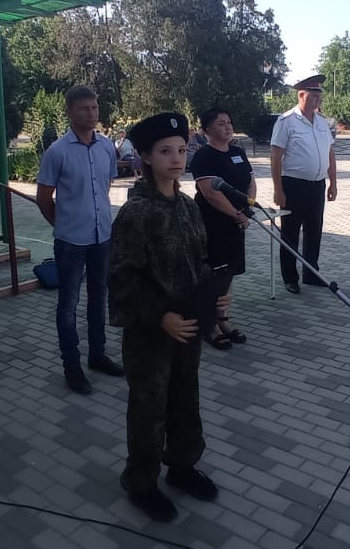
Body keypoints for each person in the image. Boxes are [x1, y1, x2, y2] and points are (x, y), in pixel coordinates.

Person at [109, 111, 228, 522]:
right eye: (165, 151)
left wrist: (213, 297)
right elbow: (122, 280)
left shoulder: (188, 207)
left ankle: (182, 466)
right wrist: (161, 317)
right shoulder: (136, 213)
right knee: (149, 409)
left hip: (188, 328)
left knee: (184, 400)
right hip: (151, 335)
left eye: (181, 150)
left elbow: (199, 262)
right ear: (145, 156)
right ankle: (141, 483)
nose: (177, 159)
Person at [36, 86, 124, 395]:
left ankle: (97, 355)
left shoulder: (106, 147)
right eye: (84, 108)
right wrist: (64, 223)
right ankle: (71, 366)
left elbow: (105, 185)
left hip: (102, 237)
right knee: (68, 304)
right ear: (70, 112)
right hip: (71, 241)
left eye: (94, 108)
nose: (91, 113)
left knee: (99, 297)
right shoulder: (57, 152)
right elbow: (43, 198)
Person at [188, 107, 253, 350]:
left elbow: (250, 182)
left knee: (229, 272)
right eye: (221, 123)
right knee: (214, 273)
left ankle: (223, 319)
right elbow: (211, 193)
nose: (227, 127)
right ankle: (209, 325)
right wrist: (236, 214)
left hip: (236, 221)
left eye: (229, 122)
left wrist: (246, 209)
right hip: (213, 222)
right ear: (207, 130)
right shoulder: (204, 156)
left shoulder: (237, 152)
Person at [270, 73, 337, 294]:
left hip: (317, 185)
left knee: (314, 230)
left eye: (319, 95)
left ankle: (311, 273)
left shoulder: (322, 122)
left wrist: (333, 182)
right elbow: (275, 156)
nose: (318, 99)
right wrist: (278, 189)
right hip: (293, 185)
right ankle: (290, 277)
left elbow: (330, 153)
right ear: (301, 95)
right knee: (290, 232)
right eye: (314, 95)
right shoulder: (286, 121)